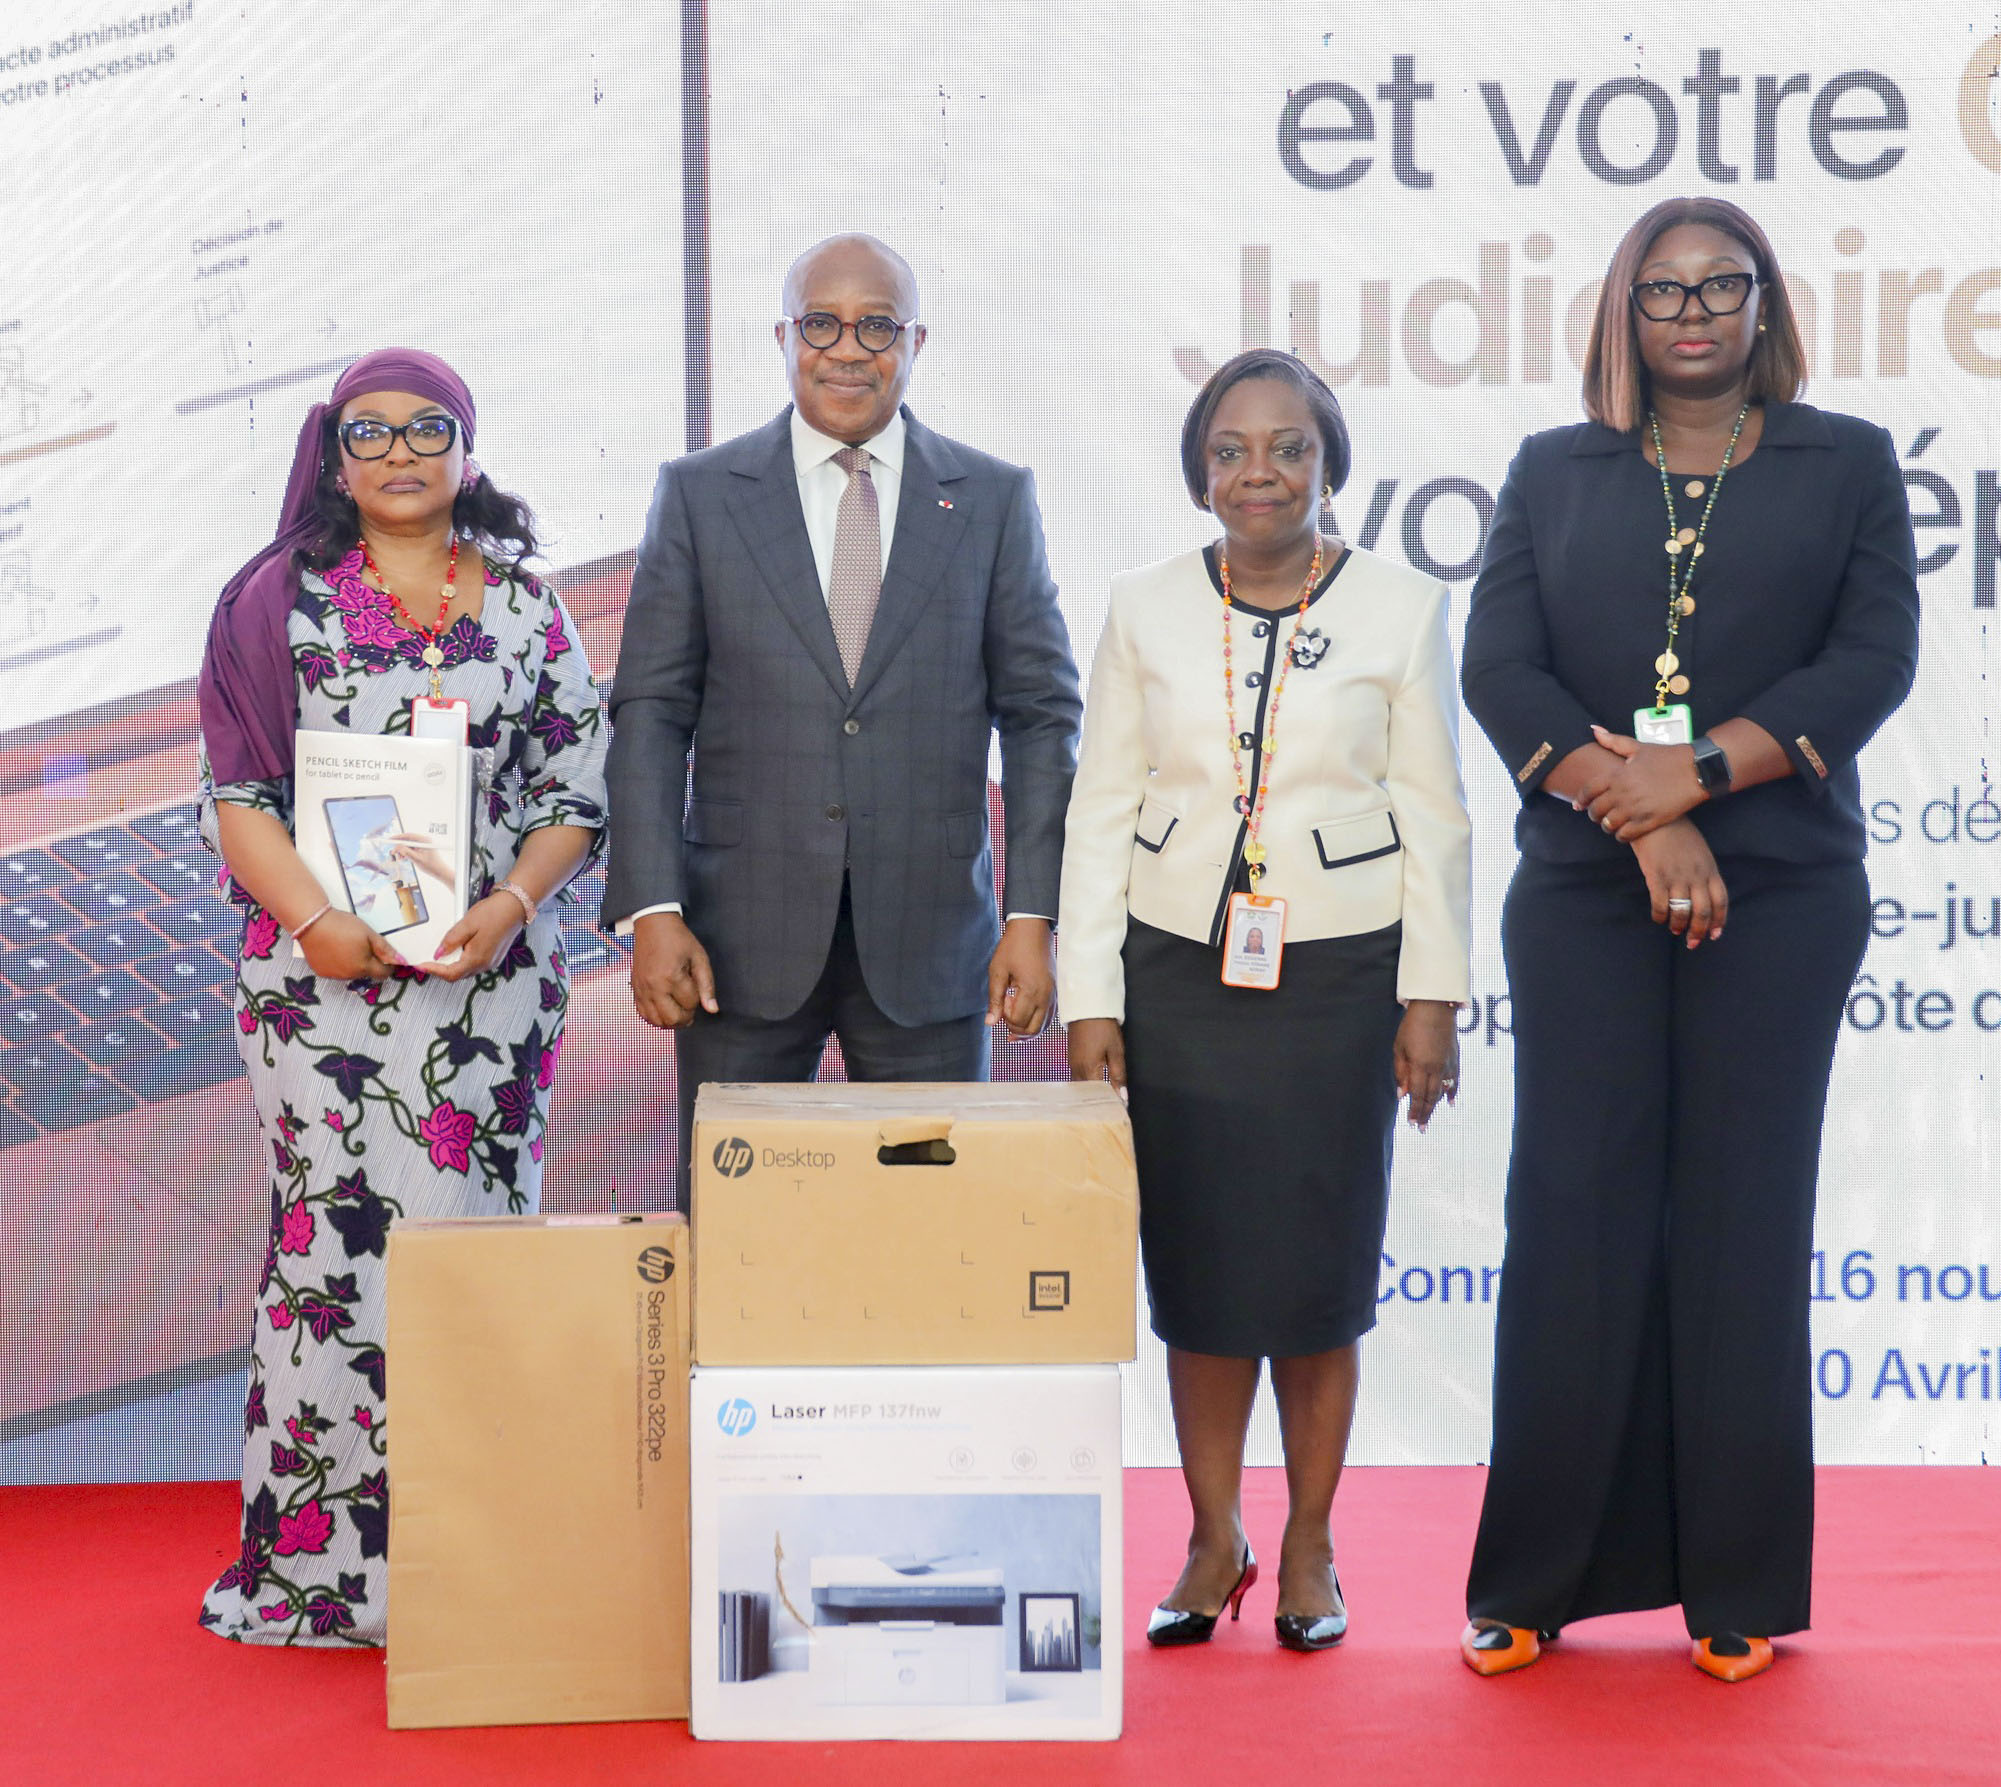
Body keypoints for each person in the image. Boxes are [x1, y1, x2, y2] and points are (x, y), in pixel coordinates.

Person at [1458, 197, 1918, 1682]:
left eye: (1723, 285)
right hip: (1585, 887)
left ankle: (1737, 1580)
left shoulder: (1846, 460)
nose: (1695, 311)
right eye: (1663, 289)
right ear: (1622, 311)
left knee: (1741, 1214)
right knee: (1572, 1212)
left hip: (1781, 889)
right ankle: (1531, 1577)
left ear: (1764, 304)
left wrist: (1701, 776)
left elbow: (1873, 658)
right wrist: (1643, 815)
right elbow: (1501, 669)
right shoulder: (1553, 468)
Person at [1060, 349, 1471, 1653]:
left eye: (1288, 447)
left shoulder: (1401, 607)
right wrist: (1089, 991)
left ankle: (1307, 1542)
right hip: (1179, 966)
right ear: (1198, 473)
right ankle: (1211, 1535)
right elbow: (1099, 805)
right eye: (1230, 450)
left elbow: (1436, 814)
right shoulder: (1143, 607)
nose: (1260, 472)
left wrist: (1432, 995)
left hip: (1340, 972)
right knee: (1197, 1272)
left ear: (1328, 463)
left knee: (1315, 1272)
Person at [194, 349, 608, 1644]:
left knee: (472, 1258)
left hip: (488, 992)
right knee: (332, 1254)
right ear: (333, 457)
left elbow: (573, 793)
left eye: (428, 428)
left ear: (466, 450)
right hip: (319, 991)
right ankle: (319, 1574)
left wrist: (515, 902)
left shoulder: (529, 607)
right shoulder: (274, 602)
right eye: (367, 432)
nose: (399, 452)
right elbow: (238, 796)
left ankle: (467, 1565)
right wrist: (316, 923)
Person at [603, 233, 1081, 1204]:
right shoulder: (699, 494)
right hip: (733, 949)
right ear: (783, 337)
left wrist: (1032, 914)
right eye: (821, 323)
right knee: (737, 1232)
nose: (848, 349)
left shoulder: (992, 499)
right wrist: (652, 907)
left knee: (929, 1230)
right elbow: (650, 711)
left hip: (932, 949)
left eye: (877, 326)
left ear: (916, 342)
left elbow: (1040, 715)